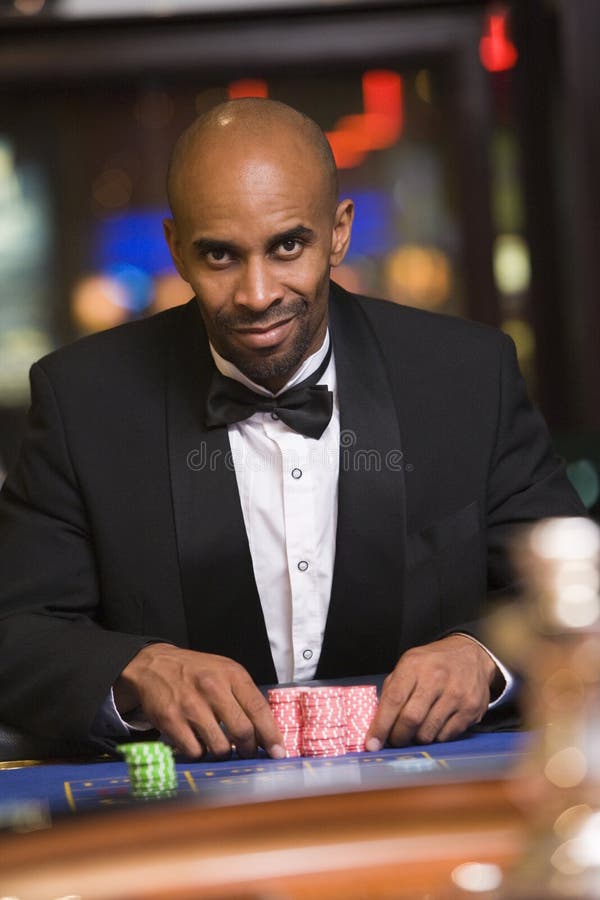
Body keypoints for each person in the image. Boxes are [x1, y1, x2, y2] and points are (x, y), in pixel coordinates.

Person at [0, 99, 584, 759]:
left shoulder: (468, 376)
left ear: (338, 232)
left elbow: (575, 599)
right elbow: (15, 633)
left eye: (286, 246)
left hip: (428, 803)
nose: (256, 293)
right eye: (220, 255)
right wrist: (133, 668)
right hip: (189, 826)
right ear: (175, 250)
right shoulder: (83, 400)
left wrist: (483, 657)